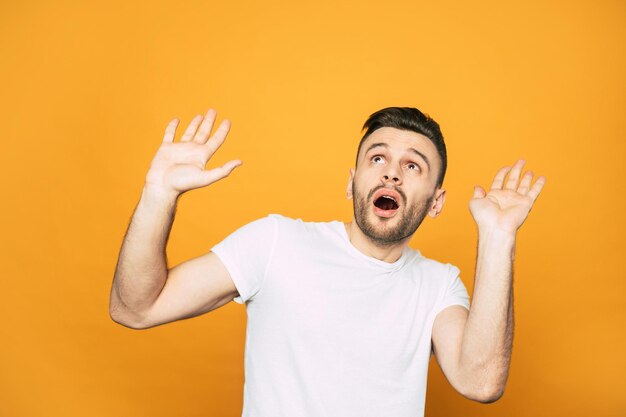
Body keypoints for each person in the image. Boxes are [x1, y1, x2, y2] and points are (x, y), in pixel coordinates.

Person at [109, 107, 546, 417]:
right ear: (352, 181)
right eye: (378, 158)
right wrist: (159, 194)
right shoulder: (276, 241)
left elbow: (481, 382)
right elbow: (136, 307)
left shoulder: (438, 287)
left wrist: (497, 238)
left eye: (413, 166)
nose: (391, 173)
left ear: (436, 202)